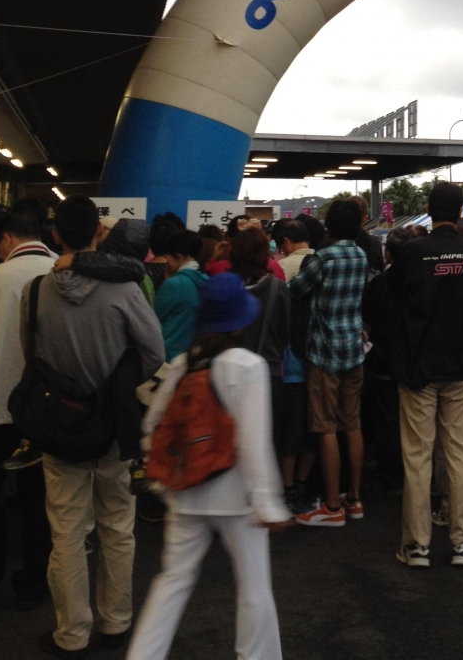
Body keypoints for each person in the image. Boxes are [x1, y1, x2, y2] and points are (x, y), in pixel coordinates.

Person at [126, 274, 290, 660]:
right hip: (237, 499)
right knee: (253, 588)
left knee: (172, 582)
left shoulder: (184, 364)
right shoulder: (248, 366)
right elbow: (252, 442)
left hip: (186, 493)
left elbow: (154, 425)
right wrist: (268, 502)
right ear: (239, 322)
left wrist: (166, 480)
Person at [29, 196, 164, 656]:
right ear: (98, 235)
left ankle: (71, 634)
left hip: (60, 426)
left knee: (67, 532)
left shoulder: (36, 291)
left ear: (56, 236)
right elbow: (154, 354)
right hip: (113, 425)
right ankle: (116, 622)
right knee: (117, 525)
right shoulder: (125, 290)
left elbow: (31, 356)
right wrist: (121, 382)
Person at [389, 181, 463, 568]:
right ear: (460, 212)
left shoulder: (412, 252)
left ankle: (416, 546)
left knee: (418, 456)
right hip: (462, 364)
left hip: (419, 368)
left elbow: (394, 305)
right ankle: (462, 543)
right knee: (459, 454)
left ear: (428, 209)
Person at [0, 212, 54, 612]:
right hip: (45, 411)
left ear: (6, 239)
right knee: (40, 500)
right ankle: (35, 583)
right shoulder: (59, 273)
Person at [288, 199, 368, 527]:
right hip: (353, 348)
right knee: (353, 423)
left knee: (325, 427)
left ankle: (332, 506)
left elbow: (296, 290)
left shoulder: (323, 258)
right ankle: (355, 499)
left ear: (330, 226)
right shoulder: (361, 255)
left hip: (324, 351)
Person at [231, 225, 291, 465]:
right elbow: (285, 333)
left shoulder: (226, 288)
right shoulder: (278, 288)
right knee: (266, 442)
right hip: (269, 372)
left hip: (230, 375)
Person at [362, 227, 413, 496]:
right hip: (414, 362)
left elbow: (368, 319)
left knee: (387, 422)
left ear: (388, 254)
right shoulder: (419, 281)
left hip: (382, 361)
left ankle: (391, 476)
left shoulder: (379, 284)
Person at [154, 231, 209, 362]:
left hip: (168, 356)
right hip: (191, 356)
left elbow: (153, 319)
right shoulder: (206, 280)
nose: (166, 261)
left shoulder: (174, 284)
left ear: (179, 256)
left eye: (167, 256)